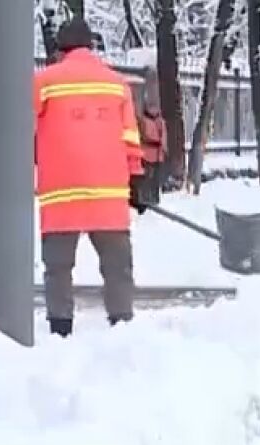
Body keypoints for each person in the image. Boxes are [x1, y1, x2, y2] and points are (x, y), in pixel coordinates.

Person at [35, 17, 143, 337]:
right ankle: (121, 321)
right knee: (117, 266)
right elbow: (130, 137)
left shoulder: (44, 82)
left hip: (61, 191)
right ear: (92, 46)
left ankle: (60, 326)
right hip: (108, 192)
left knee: (58, 267)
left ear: (60, 49)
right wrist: (134, 177)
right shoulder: (116, 83)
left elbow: (23, 128)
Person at [136, 73, 166, 207]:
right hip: (147, 152)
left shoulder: (159, 119)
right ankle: (144, 200)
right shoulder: (143, 118)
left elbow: (163, 134)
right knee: (146, 177)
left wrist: (164, 149)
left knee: (154, 178)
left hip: (156, 152)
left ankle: (152, 198)